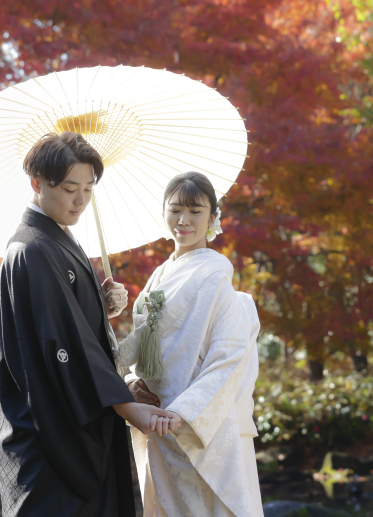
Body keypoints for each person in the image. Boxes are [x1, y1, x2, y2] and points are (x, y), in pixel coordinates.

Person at [0, 132, 174, 516]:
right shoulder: (32, 249)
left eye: (89, 189)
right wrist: (127, 407)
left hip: (69, 420)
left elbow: (64, 323)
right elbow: (64, 343)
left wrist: (99, 305)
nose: (81, 200)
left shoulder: (56, 240)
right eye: (70, 188)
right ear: (37, 183)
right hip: (52, 431)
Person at [118, 171, 263, 517]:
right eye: (175, 210)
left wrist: (184, 412)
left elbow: (229, 355)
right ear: (164, 213)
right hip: (158, 419)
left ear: (212, 218)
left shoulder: (215, 276)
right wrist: (132, 383)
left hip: (193, 421)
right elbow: (145, 350)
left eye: (195, 211)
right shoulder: (159, 275)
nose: (184, 220)